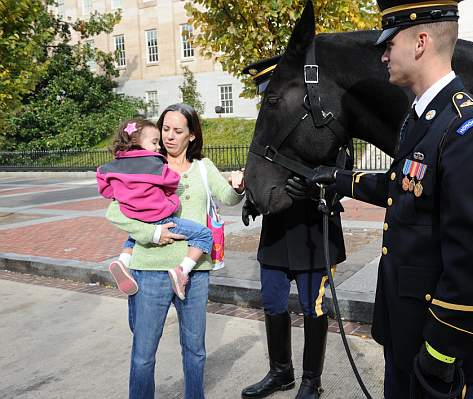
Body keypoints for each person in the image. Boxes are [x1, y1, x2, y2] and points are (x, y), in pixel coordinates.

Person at [310, 1, 473, 398]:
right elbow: (402, 185)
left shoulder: (468, 127)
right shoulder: (420, 118)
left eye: (389, 43)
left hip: (435, 346)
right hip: (405, 330)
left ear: (421, 42)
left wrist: (439, 353)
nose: (383, 54)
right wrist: (338, 179)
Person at [105, 103, 245, 399]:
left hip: (195, 273)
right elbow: (116, 212)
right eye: (165, 129)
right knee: (144, 353)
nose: (169, 136)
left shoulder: (203, 168)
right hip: (150, 270)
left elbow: (229, 198)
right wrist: (152, 233)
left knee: (195, 350)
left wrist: (239, 186)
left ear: (192, 135)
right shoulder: (146, 163)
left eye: (177, 130)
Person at [239, 57, 348, 399]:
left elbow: (343, 173)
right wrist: (254, 199)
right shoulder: (268, 129)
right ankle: (281, 373)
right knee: (272, 301)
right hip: (277, 233)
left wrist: (318, 188)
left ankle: (311, 382)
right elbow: (261, 171)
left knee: (312, 306)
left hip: (313, 232)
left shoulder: (323, 123)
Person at [97, 118, 214, 299]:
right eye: (154, 142)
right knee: (204, 235)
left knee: (133, 237)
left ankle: (122, 261)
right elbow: (172, 181)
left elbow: (105, 189)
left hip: (135, 216)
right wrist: (167, 196)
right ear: (137, 143)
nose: (159, 147)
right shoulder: (154, 163)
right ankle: (182, 270)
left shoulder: (113, 166)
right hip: (161, 218)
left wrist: (123, 193)